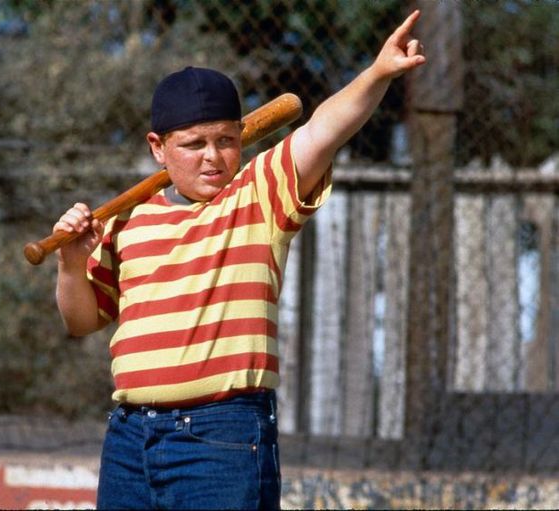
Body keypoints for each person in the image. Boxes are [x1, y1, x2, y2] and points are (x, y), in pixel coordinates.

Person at [52, 10, 426, 510]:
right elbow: (80, 320)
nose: (213, 156)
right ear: (158, 148)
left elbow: (322, 130)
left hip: (221, 437)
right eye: (194, 144)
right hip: (128, 440)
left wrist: (377, 73)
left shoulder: (258, 196)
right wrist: (71, 263)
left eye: (226, 140)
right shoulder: (126, 222)